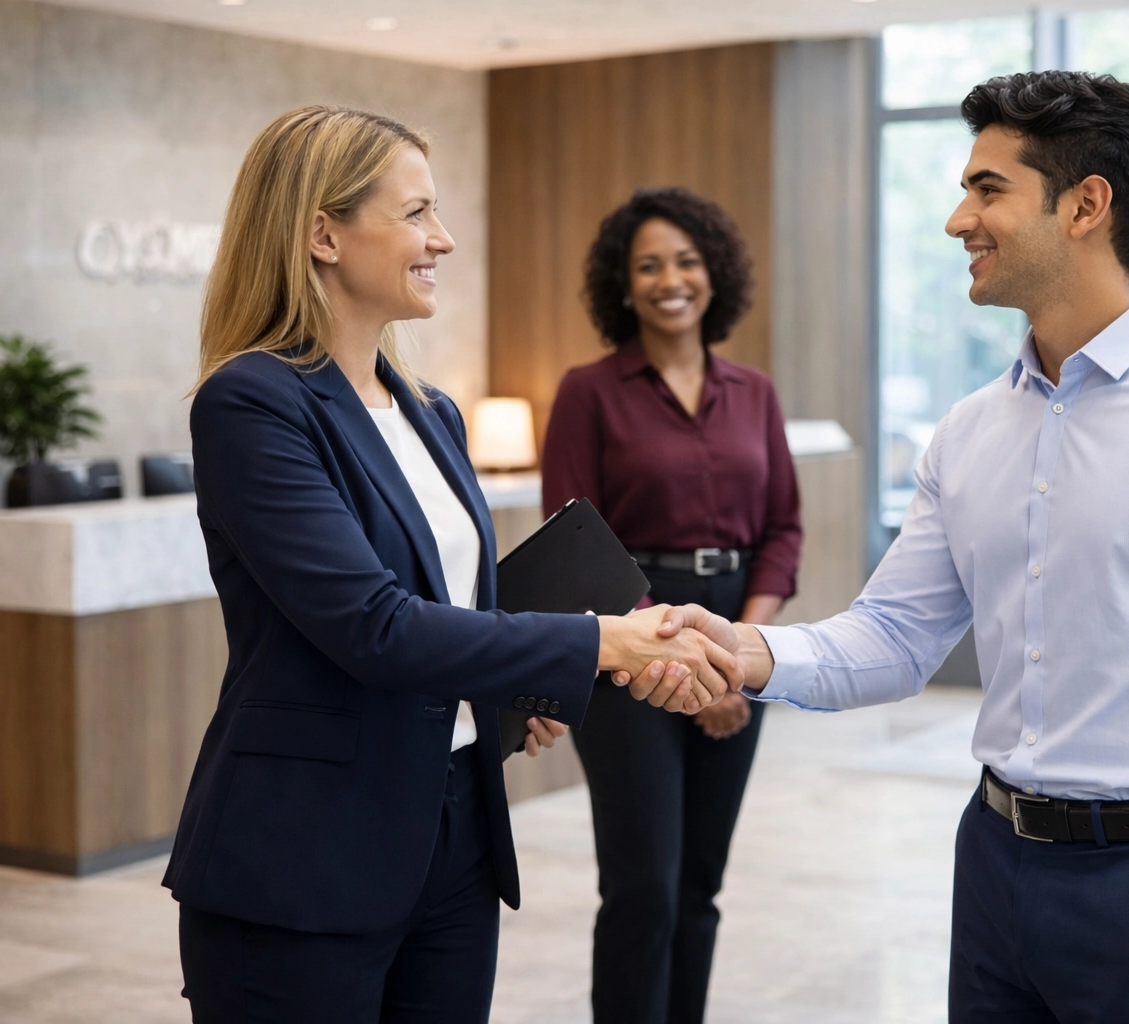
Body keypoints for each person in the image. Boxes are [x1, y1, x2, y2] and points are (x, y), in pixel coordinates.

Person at [658, 71, 1129, 1022]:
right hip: (994, 866)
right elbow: (893, 636)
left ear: (1086, 205)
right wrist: (744, 650)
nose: (957, 220)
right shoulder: (971, 430)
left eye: (988, 189)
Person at [162, 106, 739, 1024]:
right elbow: (374, 625)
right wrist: (601, 643)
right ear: (323, 235)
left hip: (456, 834)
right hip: (306, 852)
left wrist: (508, 692)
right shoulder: (252, 403)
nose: (445, 238)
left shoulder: (431, 411)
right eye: (417, 213)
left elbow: (453, 606)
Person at [543, 187, 802, 1024]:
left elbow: (783, 530)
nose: (669, 280)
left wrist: (739, 653)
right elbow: (577, 538)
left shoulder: (754, 392)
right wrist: (672, 651)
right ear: (622, 285)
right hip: (629, 637)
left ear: (713, 272)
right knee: (643, 887)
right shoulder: (588, 391)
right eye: (648, 266)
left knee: (698, 885)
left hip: (739, 633)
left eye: (685, 262)